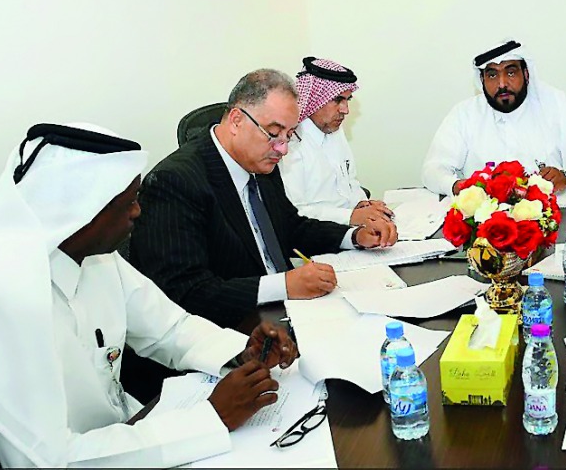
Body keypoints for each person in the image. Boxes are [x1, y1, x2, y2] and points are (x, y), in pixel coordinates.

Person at [0, 124, 297, 467]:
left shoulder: (91, 256)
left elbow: (168, 328)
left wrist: (238, 350)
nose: (138, 213)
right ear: (81, 213)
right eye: (129, 203)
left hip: (113, 434)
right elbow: (47, 460)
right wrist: (210, 419)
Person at [130, 69, 397, 328]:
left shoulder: (261, 160)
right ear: (236, 120)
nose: (282, 148)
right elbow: (185, 291)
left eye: (289, 135)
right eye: (273, 132)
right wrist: (284, 285)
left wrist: (354, 236)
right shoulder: (175, 182)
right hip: (236, 326)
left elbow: (291, 227)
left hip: (296, 310)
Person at [420, 39, 566, 195]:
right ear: (482, 81)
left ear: (526, 75)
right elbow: (433, 169)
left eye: (510, 72)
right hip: (485, 226)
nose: (502, 84)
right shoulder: (464, 114)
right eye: (492, 75)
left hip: (553, 220)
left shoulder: (556, 105)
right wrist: (458, 186)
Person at [279, 57, 395, 227]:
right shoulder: (289, 141)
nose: (345, 110)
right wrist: (351, 216)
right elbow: (295, 211)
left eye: (347, 100)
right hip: (316, 237)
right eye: (337, 100)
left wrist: (363, 204)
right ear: (315, 98)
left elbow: (351, 182)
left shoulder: (334, 130)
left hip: (349, 229)